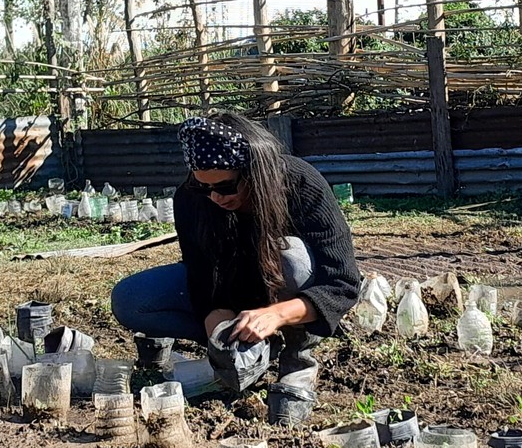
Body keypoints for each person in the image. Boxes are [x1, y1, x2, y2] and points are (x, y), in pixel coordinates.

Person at [109, 111, 361, 424]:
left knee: (292, 258)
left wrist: (276, 315)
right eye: (204, 187)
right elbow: (201, 276)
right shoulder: (191, 198)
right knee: (131, 299)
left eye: (226, 186)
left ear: (254, 171)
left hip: (285, 290)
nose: (215, 197)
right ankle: (251, 351)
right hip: (235, 292)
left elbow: (343, 284)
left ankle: (298, 359)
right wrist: (219, 329)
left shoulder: (300, 184)